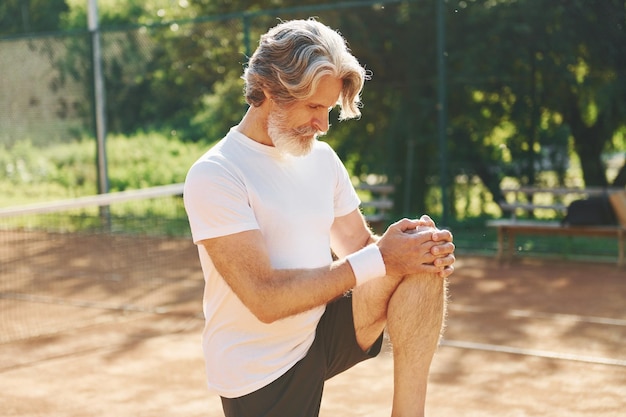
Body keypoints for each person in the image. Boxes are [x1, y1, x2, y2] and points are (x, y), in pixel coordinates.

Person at [183, 18, 456, 417]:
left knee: (420, 257)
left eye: (327, 109)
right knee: (393, 257)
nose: (323, 125)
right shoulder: (217, 174)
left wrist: (413, 246)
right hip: (260, 366)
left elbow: (361, 247)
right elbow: (265, 299)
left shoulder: (322, 159)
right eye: (313, 107)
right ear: (267, 90)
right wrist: (382, 257)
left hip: (322, 328)